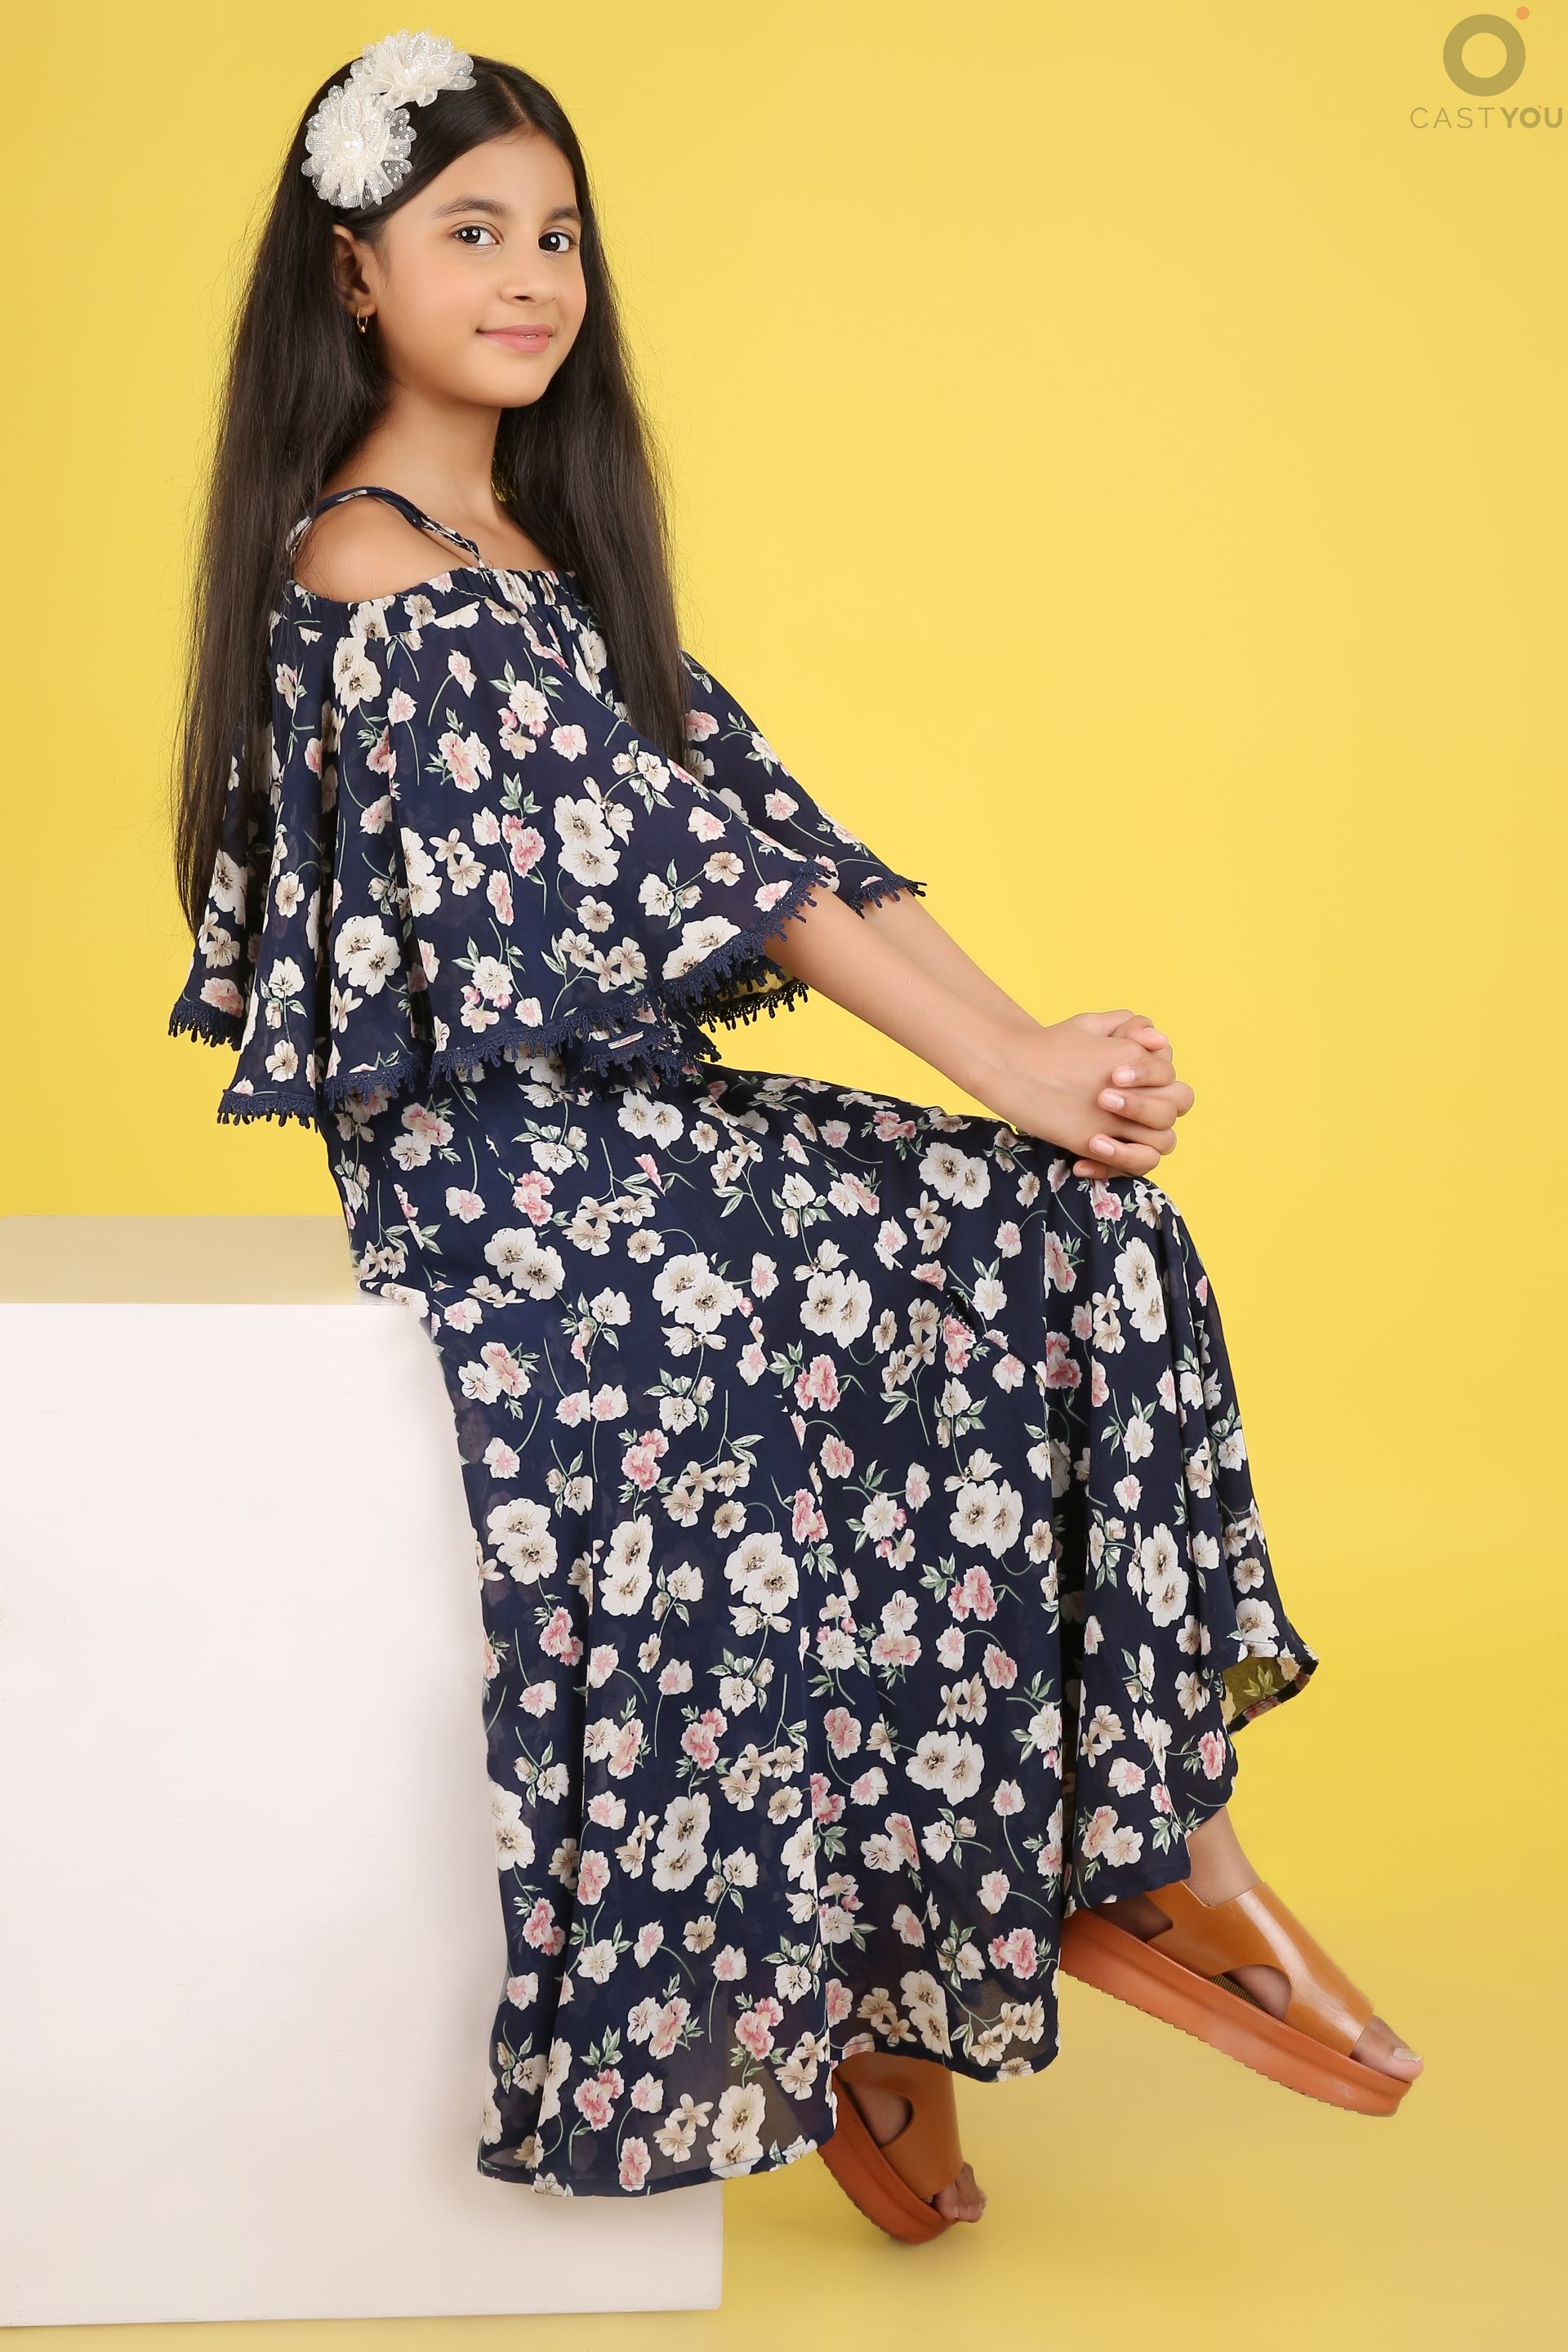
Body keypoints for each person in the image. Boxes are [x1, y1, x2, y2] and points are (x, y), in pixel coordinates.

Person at [167, 29, 1423, 2235]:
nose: (534, 277)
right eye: (474, 232)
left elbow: (796, 838)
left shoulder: (545, 545)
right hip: (506, 1175)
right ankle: (912, 1962)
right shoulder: (366, 564)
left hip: (637, 1127)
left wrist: (1042, 1055)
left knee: (1074, 1231)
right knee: (865, 1302)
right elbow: (713, 876)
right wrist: (1008, 1071)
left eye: (561, 236)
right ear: (354, 272)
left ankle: (1095, 1876)